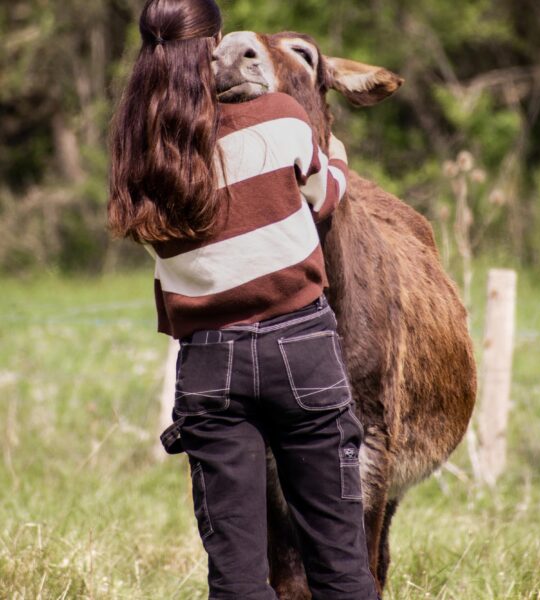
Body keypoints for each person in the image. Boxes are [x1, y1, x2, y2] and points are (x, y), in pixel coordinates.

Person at [108, 1, 378, 599]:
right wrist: (337, 160)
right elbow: (321, 198)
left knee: (236, 578)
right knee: (340, 566)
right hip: (300, 348)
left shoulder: (140, 156)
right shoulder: (281, 117)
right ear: (216, 44)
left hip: (207, 363)